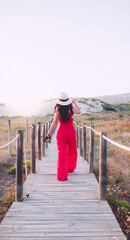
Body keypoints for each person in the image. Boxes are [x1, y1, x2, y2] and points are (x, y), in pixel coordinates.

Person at [46, 92, 81, 181]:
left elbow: (54, 122)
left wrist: (49, 132)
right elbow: (79, 112)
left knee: (62, 154)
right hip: (71, 132)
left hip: (61, 132)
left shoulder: (58, 109)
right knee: (72, 150)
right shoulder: (71, 107)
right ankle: (70, 168)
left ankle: (62, 176)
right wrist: (74, 103)